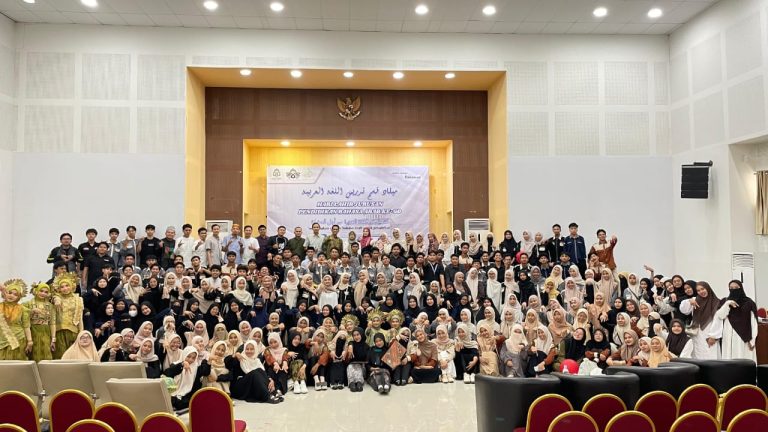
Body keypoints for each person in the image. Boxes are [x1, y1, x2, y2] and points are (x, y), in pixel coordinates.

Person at [716, 279, 758, 361]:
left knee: (743, 359)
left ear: (741, 288)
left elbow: (754, 323)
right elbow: (720, 316)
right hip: (728, 335)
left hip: (744, 337)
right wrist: (727, 304)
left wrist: (752, 340)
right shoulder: (724, 301)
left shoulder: (749, 303)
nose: (733, 290)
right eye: (731, 288)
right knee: (728, 359)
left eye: (736, 288)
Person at [678, 281, 722, 359]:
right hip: (696, 334)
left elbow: (718, 320)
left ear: (708, 289)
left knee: (710, 355)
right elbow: (684, 310)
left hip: (709, 333)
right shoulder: (695, 300)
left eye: (703, 289)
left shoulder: (716, 302)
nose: (701, 292)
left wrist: (714, 336)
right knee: (697, 354)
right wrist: (689, 301)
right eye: (698, 290)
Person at [51, 272, 84, 359]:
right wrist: (53, 338)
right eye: (62, 287)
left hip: (74, 332)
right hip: (59, 332)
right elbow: (53, 320)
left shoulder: (79, 299)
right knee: (61, 358)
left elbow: (80, 319)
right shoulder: (56, 299)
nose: (65, 288)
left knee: (74, 358)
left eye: (67, 285)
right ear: (59, 288)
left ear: (72, 286)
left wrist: (81, 334)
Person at [0, 279, 32, 360]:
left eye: (15, 294)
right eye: (10, 292)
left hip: (17, 339)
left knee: (15, 364)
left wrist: (30, 341)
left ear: (19, 297)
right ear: (5, 293)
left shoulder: (23, 309)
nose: (11, 296)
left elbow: (26, 326)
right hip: (1, 339)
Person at [26, 282, 57, 361]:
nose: (43, 293)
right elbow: (23, 320)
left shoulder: (50, 306)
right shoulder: (28, 304)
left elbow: (52, 323)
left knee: (46, 353)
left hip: (46, 332)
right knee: (33, 354)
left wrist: (53, 339)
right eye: (41, 291)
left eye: (46, 292)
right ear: (36, 291)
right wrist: (31, 311)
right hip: (32, 331)